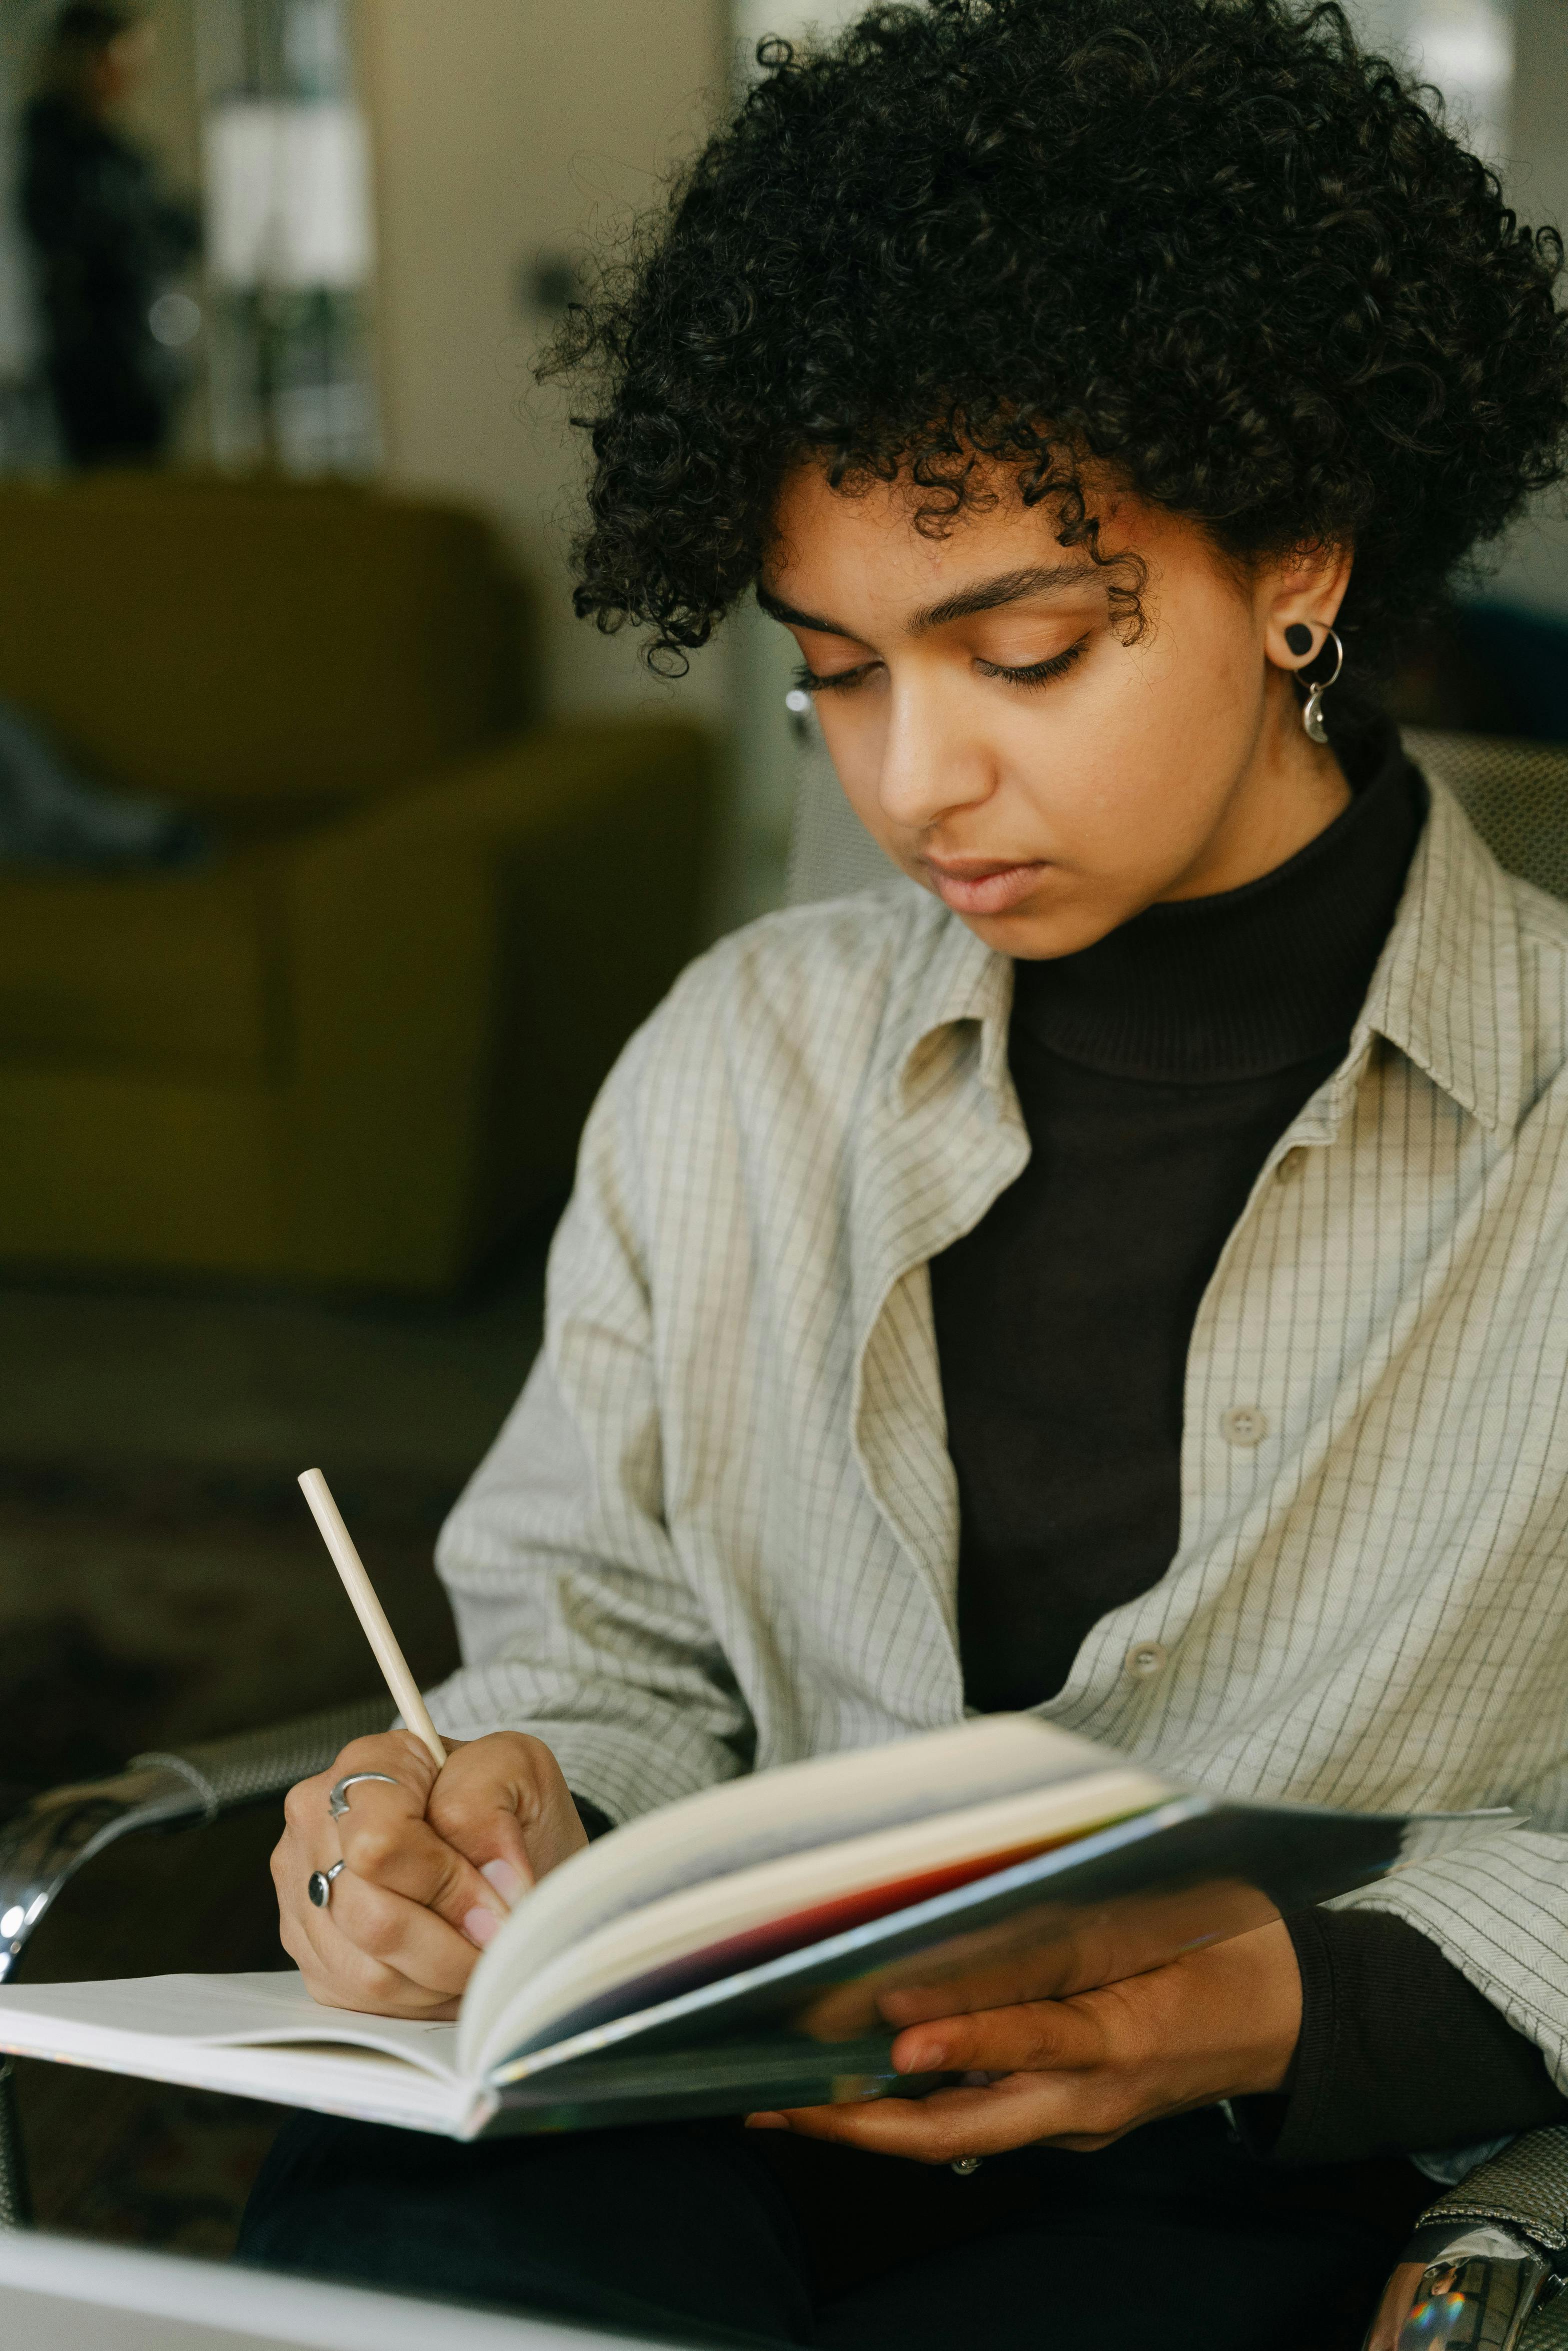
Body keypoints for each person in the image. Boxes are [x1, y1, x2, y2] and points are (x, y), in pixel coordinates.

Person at [239, 3, 1568, 2344]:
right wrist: (484, 1815)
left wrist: (1256, 2002)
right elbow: (603, 1640)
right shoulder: (738, 1065)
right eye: (830, 668)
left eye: (1023, 649)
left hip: (1308, 2164)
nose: (910, 777)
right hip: (717, 2119)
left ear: (1295, 560)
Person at [21, 2, 200, 468]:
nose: (130, 75)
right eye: (119, 60)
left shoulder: (121, 157)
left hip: (138, 361)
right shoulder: (55, 154)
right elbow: (92, 245)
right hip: (95, 370)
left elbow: (167, 233)